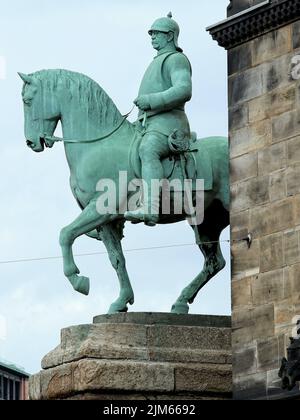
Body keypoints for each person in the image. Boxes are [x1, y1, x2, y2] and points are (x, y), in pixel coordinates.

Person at [125, 12, 193, 226]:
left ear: (170, 36)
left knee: (148, 149)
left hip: (170, 125)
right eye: (151, 34)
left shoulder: (176, 59)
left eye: (157, 33)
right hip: (150, 124)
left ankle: (151, 208)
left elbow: (184, 89)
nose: (152, 37)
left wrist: (151, 101)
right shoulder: (156, 62)